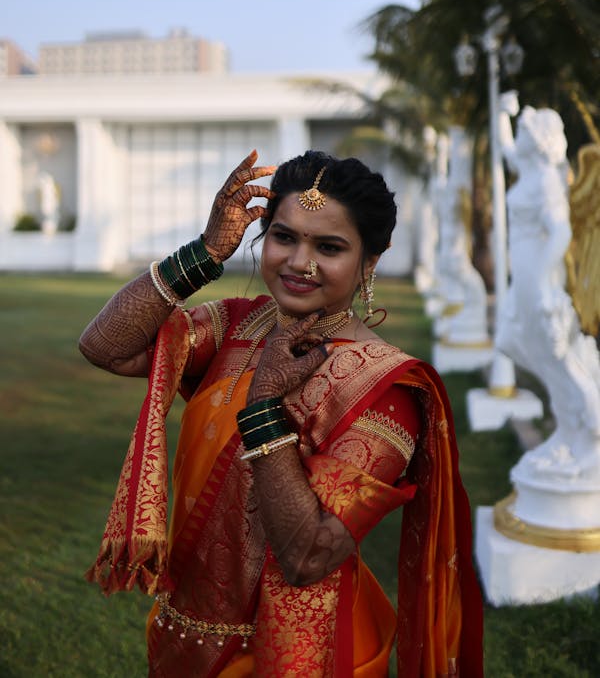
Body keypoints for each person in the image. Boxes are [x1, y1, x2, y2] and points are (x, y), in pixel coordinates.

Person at [81, 150, 483, 677]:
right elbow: (107, 347)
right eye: (284, 236)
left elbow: (308, 556)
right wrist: (204, 254)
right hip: (187, 630)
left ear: (371, 261)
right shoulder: (238, 326)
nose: (299, 262)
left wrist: (266, 405)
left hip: (299, 653)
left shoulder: (385, 390)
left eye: (330, 247)